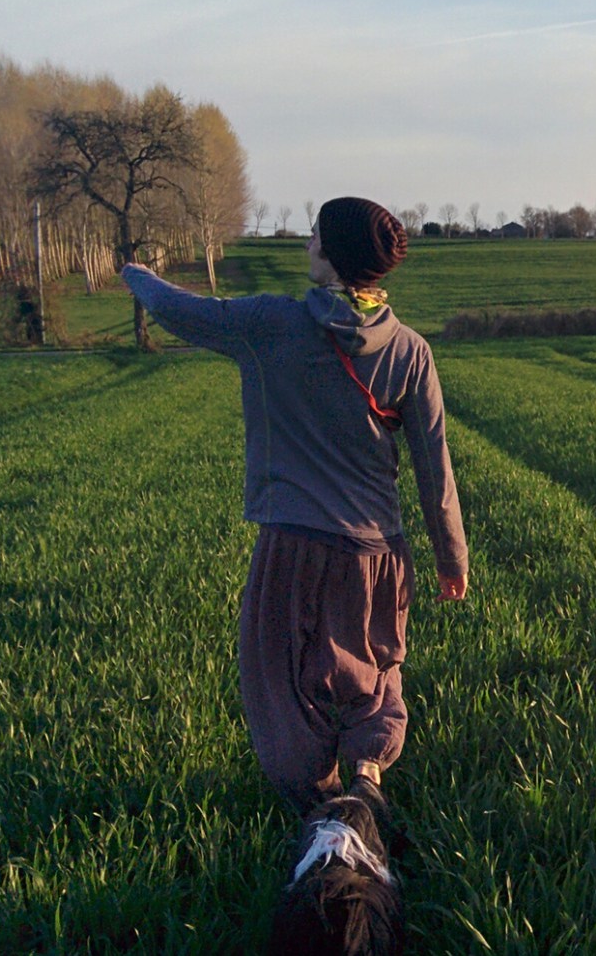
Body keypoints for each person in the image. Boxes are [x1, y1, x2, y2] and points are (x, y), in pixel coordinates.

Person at [121, 196, 466, 812]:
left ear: (331, 255)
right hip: (379, 553)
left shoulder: (269, 323)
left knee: (278, 679)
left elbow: (180, 309)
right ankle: (367, 775)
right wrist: (451, 558)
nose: (306, 245)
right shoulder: (412, 350)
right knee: (377, 669)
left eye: (314, 237)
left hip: (294, 546)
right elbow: (433, 463)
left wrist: (135, 273)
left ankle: (318, 802)